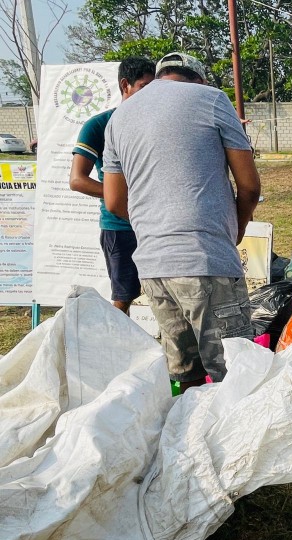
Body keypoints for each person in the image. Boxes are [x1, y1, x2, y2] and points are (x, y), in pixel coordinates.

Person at [103, 52, 262, 392]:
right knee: (235, 373)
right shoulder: (211, 99)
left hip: (153, 267)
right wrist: (237, 229)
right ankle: (237, 442)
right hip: (205, 257)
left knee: (186, 375)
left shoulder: (119, 117)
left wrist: (155, 224)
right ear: (200, 79)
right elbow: (249, 186)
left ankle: (190, 440)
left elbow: (114, 201)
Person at [69, 57, 156, 313]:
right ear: (125, 85)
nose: (150, 96)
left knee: (168, 293)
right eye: (144, 87)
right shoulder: (99, 125)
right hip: (120, 225)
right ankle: (117, 349)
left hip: (159, 224)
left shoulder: (157, 123)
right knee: (123, 298)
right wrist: (117, 197)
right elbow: (77, 180)